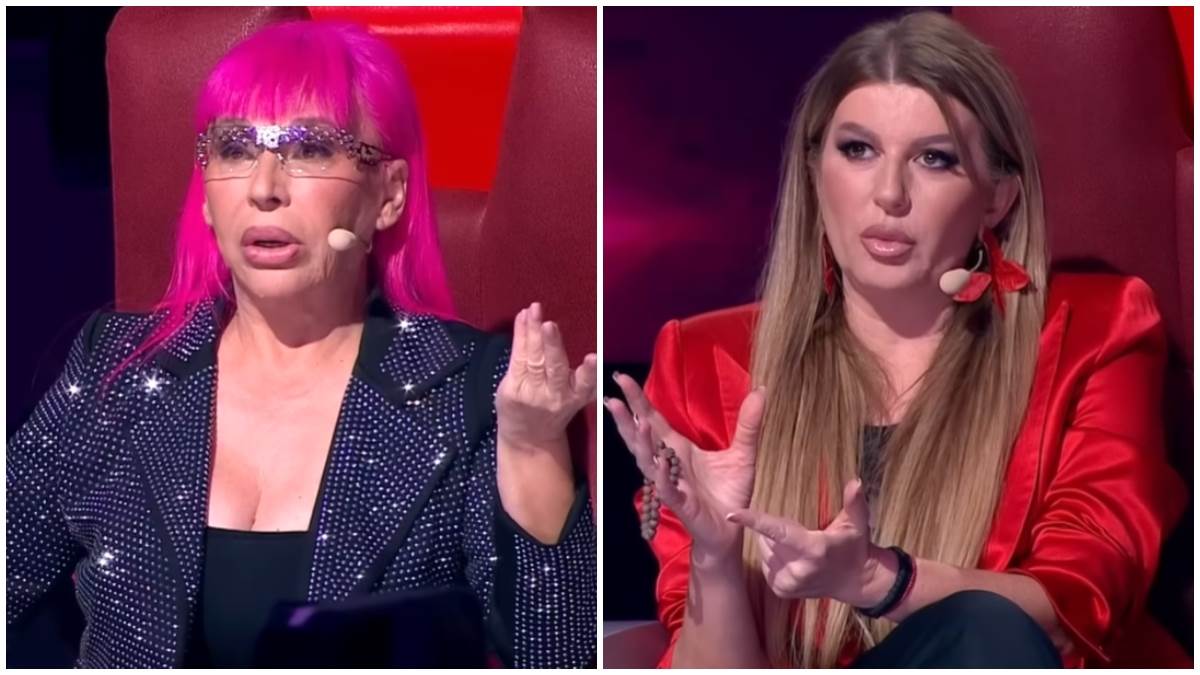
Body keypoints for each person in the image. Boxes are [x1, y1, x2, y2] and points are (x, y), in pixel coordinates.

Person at [606, 10, 1187, 669]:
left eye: (935, 159)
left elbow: (1079, 604)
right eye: (858, 150)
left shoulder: (1096, 333)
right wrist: (714, 555)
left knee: (984, 628)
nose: (889, 193)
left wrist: (879, 579)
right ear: (815, 171)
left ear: (997, 197)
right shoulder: (703, 361)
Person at [7, 21, 596, 668]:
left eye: (311, 148)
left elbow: (557, 655)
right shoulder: (116, 370)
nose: (264, 187)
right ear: (206, 197)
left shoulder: (468, 388)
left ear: (389, 195)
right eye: (234, 149)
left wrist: (532, 450)